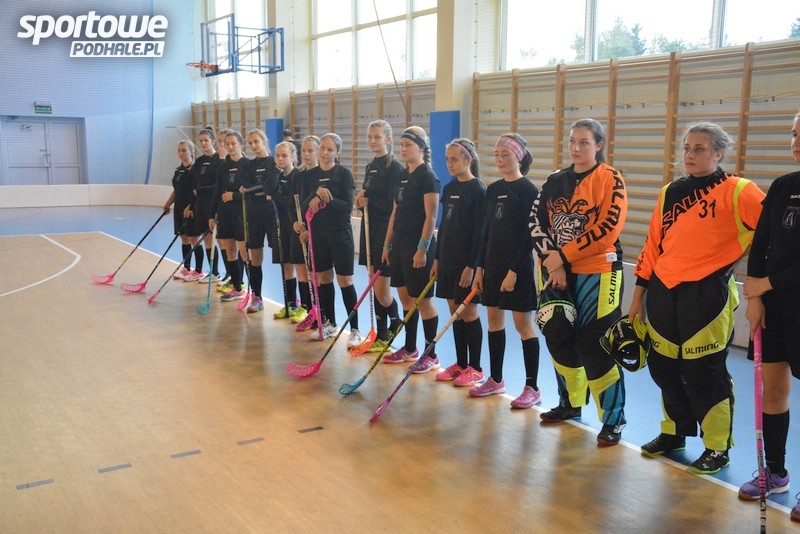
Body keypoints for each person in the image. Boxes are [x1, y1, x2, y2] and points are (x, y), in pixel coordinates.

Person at [629, 122, 765, 470]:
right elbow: (652, 245)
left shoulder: (739, 190)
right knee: (664, 367)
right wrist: (638, 295)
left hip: (708, 294)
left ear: (718, 153)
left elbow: (769, 235)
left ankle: (717, 447)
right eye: (687, 148)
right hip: (663, 291)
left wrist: (757, 279)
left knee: (705, 372)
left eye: (699, 148)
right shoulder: (670, 191)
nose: (689, 155)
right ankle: (674, 432)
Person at [529, 119, 628, 445]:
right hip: (554, 268)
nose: (576, 148)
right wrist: (552, 261)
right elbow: (535, 221)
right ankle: (570, 403)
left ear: (598, 145)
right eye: (572, 141)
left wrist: (563, 257)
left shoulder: (611, 178)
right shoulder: (554, 179)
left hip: (599, 270)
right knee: (557, 333)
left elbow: (608, 228)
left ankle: (613, 419)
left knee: (595, 342)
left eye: (584, 142)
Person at [737, 112, 800, 517]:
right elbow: (759, 245)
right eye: (794, 134)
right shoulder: (782, 186)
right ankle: (775, 473)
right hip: (774, 306)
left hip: (784, 294)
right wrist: (754, 295)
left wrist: (768, 284)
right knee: (773, 390)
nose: (797, 141)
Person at [470, 133, 540, 408]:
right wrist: (479, 267)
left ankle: (532, 387)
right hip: (492, 267)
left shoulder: (528, 190)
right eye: (496, 155)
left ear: (518, 157)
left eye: (505, 154)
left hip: (518, 269)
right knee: (494, 321)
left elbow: (529, 236)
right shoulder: (492, 189)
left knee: (523, 325)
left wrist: (513, 271)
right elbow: (486, 232)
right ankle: (496, 379)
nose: (499, 159)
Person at [381, 126, 440, 373]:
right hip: (399, 245)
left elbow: (431, 216)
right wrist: (387, 244)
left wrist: (422, 249)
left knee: (423, 301)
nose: (403, 149)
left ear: (421, 147)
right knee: (406, 299)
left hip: (418, 247)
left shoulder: (428, 177)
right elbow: (395, 212)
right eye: (401, 145)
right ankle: (410, 348)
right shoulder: (401, 176)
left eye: (408, 145)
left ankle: (430, 354)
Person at [431, 138, 487, 388]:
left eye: (454, 159)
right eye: (447, 160)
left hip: (466, 264)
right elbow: (443, 227)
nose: (450, 164)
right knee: (455, 312)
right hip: (447, 260)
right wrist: (436, 258)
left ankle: (475, 368)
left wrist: (471, 266)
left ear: (468, 160)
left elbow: (480, 234)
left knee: (468, 313)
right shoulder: (449, 188)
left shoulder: (478, 190)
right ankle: (461, 364)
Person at [300, 133, 362, 347]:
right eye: (322, 148)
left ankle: (355, 329)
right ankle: (330, 323)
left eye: (330, 149)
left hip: (340, 234)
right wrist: (314, 196)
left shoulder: (343, 174)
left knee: (345, 280)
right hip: (318, 235)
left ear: (337, 153)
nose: (324, 152)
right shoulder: (310, 176)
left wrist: (327, 199)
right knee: (324, 278)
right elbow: (304, 206)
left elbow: (348, 207)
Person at [354, 120, 403, 352]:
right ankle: (381, 335)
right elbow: (367, 197)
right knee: (375, 286)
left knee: (383, 292)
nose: (372, 141)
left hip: (385, 231)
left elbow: (394, 206)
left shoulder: (395, 168)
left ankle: (396, 321)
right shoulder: (370, 165)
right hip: (369, 229)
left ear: (388, 140)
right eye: (370, 137)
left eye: (377, 137)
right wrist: (359, 201)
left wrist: (369, 200)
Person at [209, 130, 253, 302]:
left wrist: (234, 196)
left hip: (241, 214)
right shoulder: (223, 166)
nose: (230, 147)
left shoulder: (248, 164)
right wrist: (211, 215)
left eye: (233, 143)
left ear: (240, 144)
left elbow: (252, 191)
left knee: (245, 254)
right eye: (227, 144)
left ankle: (254, 292)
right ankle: (237, 288)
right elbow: (217, 191)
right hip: (224, 213)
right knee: (230, 253)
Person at [241, 129, 278, 313]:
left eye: (256, 141)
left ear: (264, 141)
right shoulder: (249, 164)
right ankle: (257, 298)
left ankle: (293, 302)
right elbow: (245, 187)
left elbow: (269, 187)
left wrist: (252, 189)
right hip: (254, 215)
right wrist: (258, 189)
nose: (254, 146)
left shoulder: (274, 162)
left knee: (284, 258)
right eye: (250, 143)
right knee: (255, 257)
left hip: (272, 214)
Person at [270, 140, 306, 321]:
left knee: (300, 267)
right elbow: (268, 190)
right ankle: (290, 303)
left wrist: (276, 196)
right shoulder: (276, 174)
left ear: (293, 156)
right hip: (279, 225)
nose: (280, 159)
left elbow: (291, 201)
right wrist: (275, 176)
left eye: (284, 155)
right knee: (285, 266)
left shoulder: (298, 176)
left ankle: (305, 306)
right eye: (277, 155)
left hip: (295, 225)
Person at [292, 135, 323, 332]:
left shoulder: (322, 175)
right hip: (299, 229)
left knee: (315, 274)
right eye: (303, 151)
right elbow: (292, 202)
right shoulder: (298, 175)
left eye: (310, 151)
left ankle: (320, 313)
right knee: (301, 271)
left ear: (318, 152)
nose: (306, 154)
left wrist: (310, 231)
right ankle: (308, 310)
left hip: (315, 231)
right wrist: (295, 222)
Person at [162, 140, 203, 281]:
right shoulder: (178, 170)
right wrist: (168, 203)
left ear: (192, 151)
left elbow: (197, 191)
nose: (181, 153)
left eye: (184, 150)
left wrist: (191, 206)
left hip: (191, 209)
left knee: (194, 239)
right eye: (179, 150)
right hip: (178, 208)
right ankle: (186, 268)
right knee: (184, 238)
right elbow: (176, 190)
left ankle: (198, 271)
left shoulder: (195, 169)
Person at [192, 128, 223, 284]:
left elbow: (218, 185)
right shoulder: (198, 162)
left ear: (213, 141)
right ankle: (212, 272)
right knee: (207, 239)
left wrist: (201, 190)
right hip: (200, 205)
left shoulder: (219, 160)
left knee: (217, 240)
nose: (203, 143)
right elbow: (195, 183)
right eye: (201, 141)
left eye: (206, 140)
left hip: (213, 204)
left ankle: (218, 273)